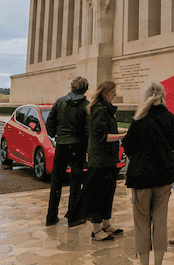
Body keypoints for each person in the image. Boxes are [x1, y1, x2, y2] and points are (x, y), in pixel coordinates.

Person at [123, 82, 174, 265]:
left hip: (141, 176)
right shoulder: (169, 117)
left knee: (141, 223)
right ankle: (158, 263)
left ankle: (144, 263)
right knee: (160, 220)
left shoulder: (138, 118)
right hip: (163, 176)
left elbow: (128, 146)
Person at [75, 81, 126, 241]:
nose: (115, 94)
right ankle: (96, 230)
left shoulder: (106, 110)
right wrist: (122, 136)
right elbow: (102, 136)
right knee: (97, 194)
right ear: (105, 93)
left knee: (108, 193)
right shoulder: (99, 110)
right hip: (99, 161)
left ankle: (106, 223)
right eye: (113, 92)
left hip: (108, 159)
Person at [45, 76, 89, 227]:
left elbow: (49, 123)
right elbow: (88, 129)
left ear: (71, 88)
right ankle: (73, 217)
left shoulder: (59, 102)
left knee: (56, 182)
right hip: (78, 145)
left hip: (62, 145)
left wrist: (56, 135)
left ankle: (51, 216)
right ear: (85, 89)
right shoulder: (86, 105)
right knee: (75, 183)